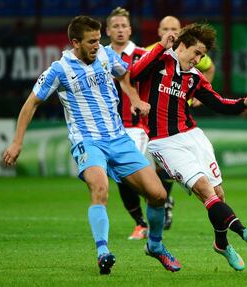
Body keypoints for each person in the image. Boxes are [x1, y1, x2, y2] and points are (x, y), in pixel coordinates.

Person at [2, 15, 181, 275]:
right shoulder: (59, 69)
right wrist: (17, 142)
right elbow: (31, 103)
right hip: (88, 141)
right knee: (100, 189)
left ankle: (155, 245)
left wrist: (134, 99)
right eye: (91, 42)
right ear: (75, 42)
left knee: (158, 195)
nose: (98, 45)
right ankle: (103, 252)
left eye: (99, 40)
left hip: (118, 138)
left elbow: (125, 75)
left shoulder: (107, 56)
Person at [131, 23, 247, 271]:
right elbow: (135, 73)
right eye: (196, 53)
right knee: (205, 190)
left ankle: (221, 244)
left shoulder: (194, 78)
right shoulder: (159, 61)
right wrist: (161, 45)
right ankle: (242, 230)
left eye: (202, 55)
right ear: (182, 46)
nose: (199, 59)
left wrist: (244, 102)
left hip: (193, 136)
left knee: (218, 195)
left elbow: (219, 103)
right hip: (164, 142)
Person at [145, 16, 217, 229]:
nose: (171, 32)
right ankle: (159, 205)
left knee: (167, 168)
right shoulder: (152, 51)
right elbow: (134, 74)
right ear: (159, 31)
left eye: (175, 28)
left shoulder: (193, 53)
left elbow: (209, 68)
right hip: (151, 121)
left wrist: (197, 95)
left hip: (179, 120)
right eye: (166, 28)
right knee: (149, 171)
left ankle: (164, 204)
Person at [106, 7, 149, 240]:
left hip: (135, 126)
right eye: (116, 26)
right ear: (108, 30)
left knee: (125, 172)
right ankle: (154, 206)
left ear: (130, 29)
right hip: (108, 128)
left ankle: (145, 220)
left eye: (124, 26)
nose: (120, 30)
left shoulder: (142, 55)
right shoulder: (99, 56)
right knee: (119, 175)